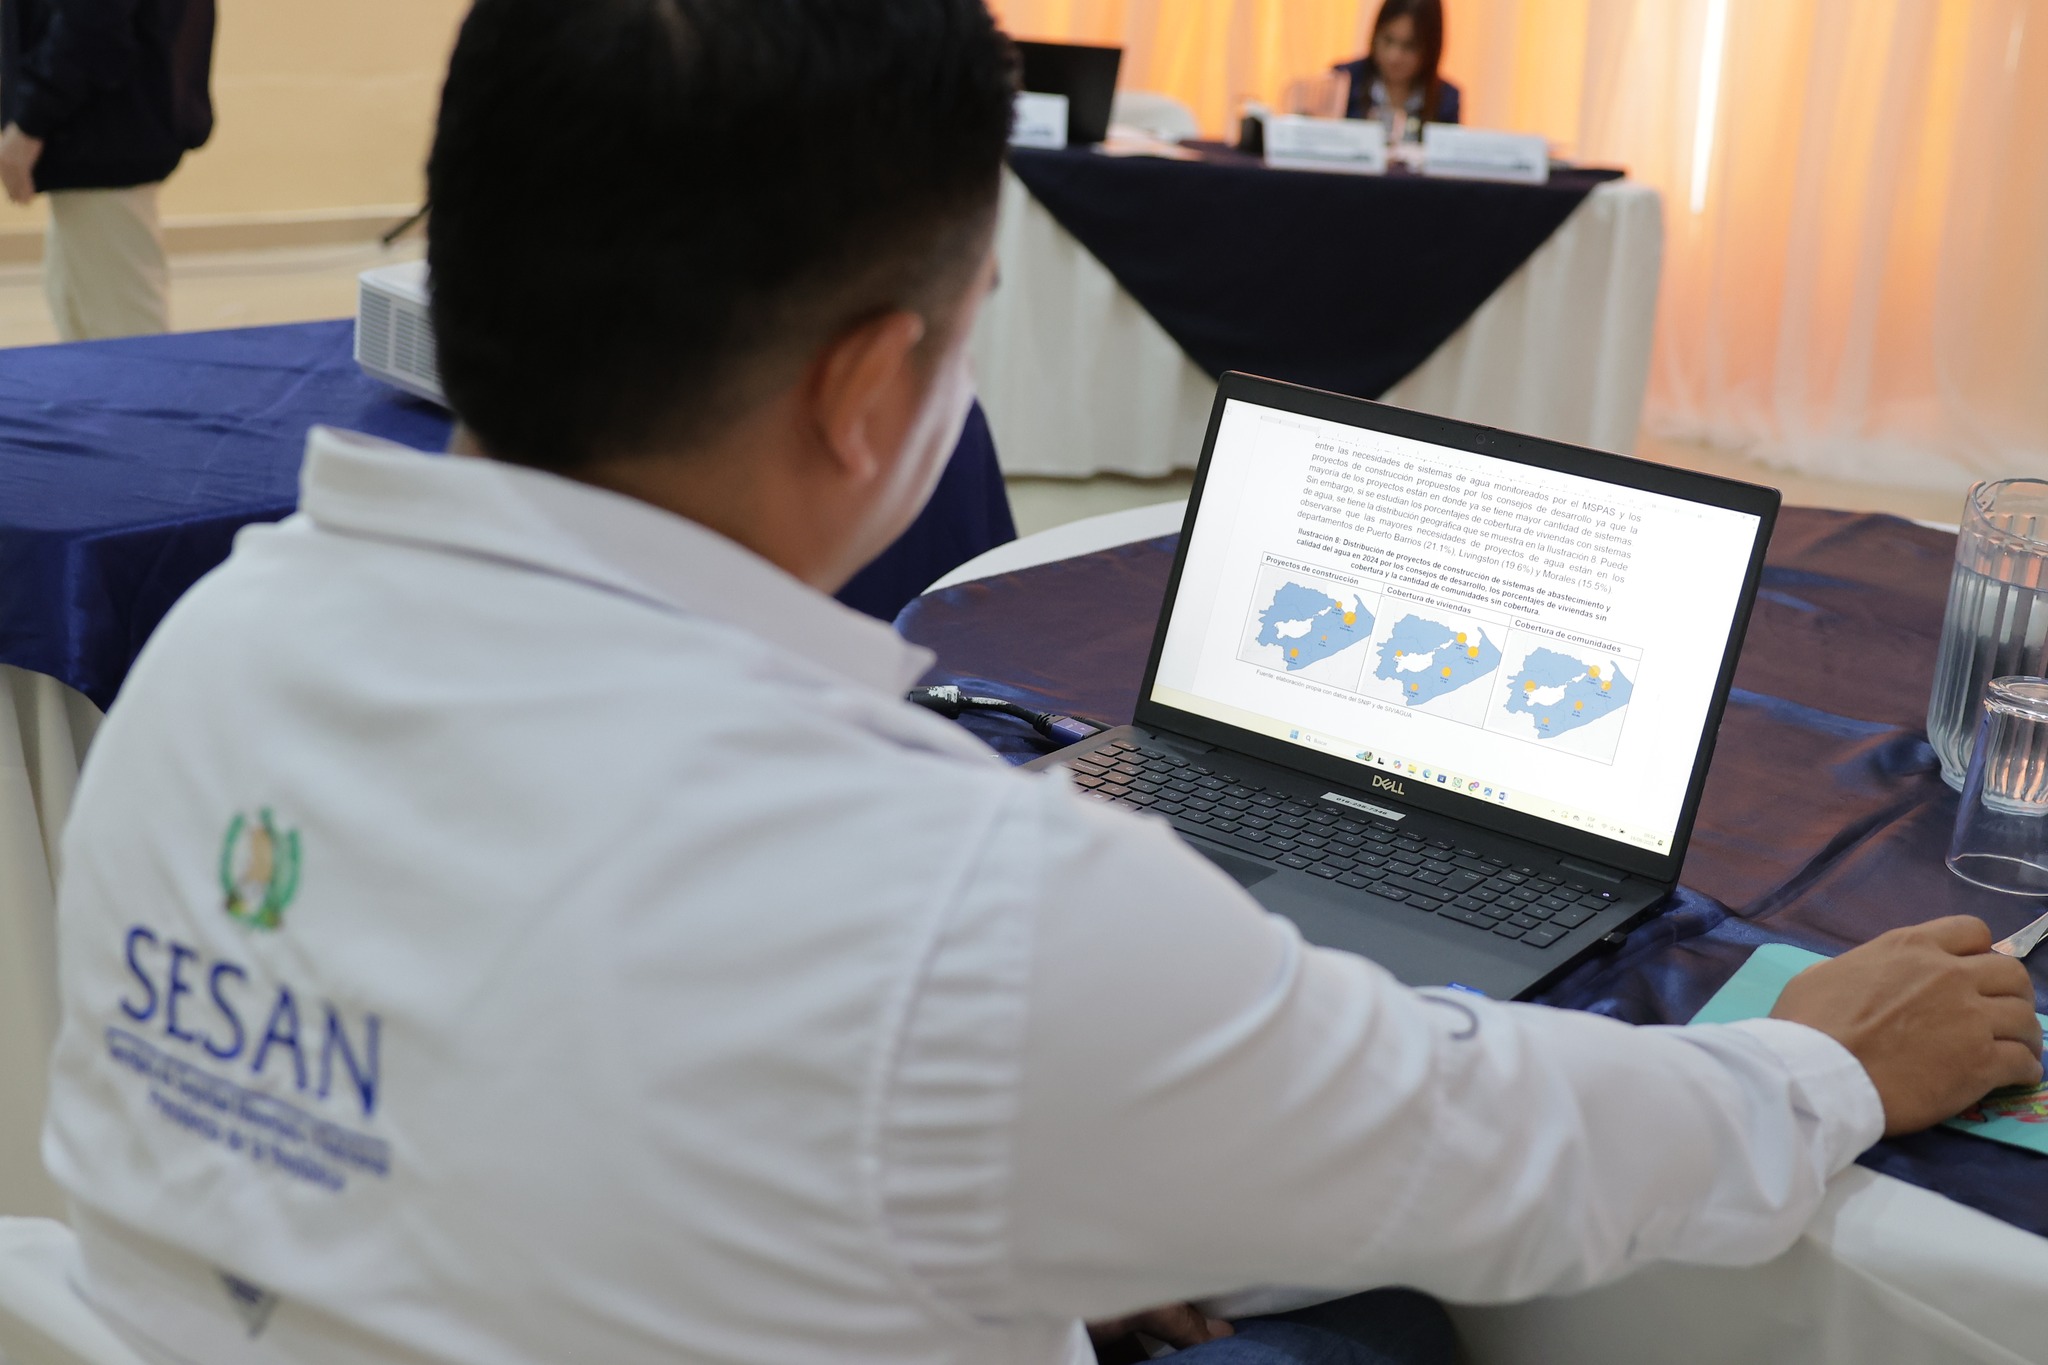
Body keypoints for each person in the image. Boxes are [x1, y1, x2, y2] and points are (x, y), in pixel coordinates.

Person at [40, 3, 2043, 1364]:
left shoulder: (210, 645)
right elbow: (1488, 1148)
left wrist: (1029, 1205)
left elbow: (508, 1116)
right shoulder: (953, 900)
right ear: (871, 387)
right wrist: (1826, 1062)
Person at [0, 0, 216, 340]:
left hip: (100, 139)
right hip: (96, 138)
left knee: (125, 336)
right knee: (80, 315)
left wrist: (30, 120)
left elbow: (95, 21)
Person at [1335, 0, 1458, 142]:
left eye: (1409, 46)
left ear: (1430, 50)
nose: (1394, 57)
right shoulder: (1343, 80)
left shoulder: (1446, 99)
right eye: (1388, 40)